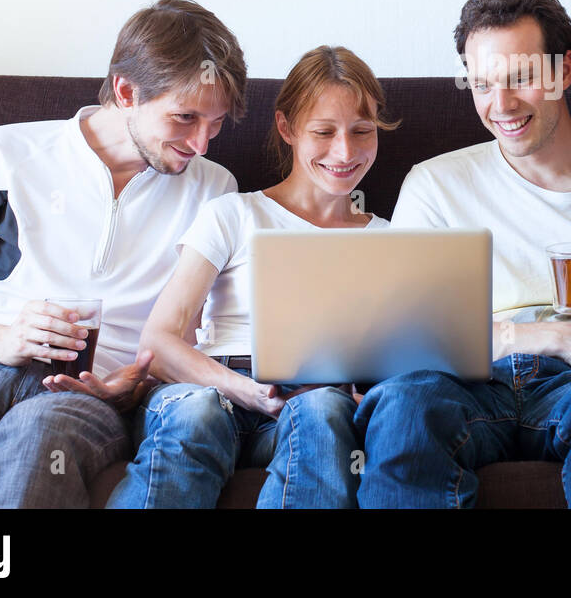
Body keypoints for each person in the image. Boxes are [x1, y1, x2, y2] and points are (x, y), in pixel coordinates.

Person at [0, 0, 246, 507]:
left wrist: (137, 386)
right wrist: (3, 340)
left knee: (35, 445)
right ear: (126, 92)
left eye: (215, 123)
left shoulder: (214, 191)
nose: (201, 143)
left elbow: (195, 338)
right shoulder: (3, 153)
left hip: (89, 394)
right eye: (185, 117)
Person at [355, 0, 571, 508]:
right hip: (462, 383)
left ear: (565, 71)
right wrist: (552, 337)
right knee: (403, 403)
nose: (502, 104)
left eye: (520, 78)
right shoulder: (435, 185)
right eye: (483, 85)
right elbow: (402, 341)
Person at [106, 46, 396, 509]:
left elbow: (388, 359)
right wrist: (245, 390)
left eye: (362, 132)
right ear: (287, 129)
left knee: (323, 411)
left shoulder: (388, 238)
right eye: (323, 132)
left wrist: (353, 385)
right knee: (198, 412)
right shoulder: (234, 214)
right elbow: (159, 342)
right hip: (212, 386)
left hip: (309, 402)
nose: (345, 152)